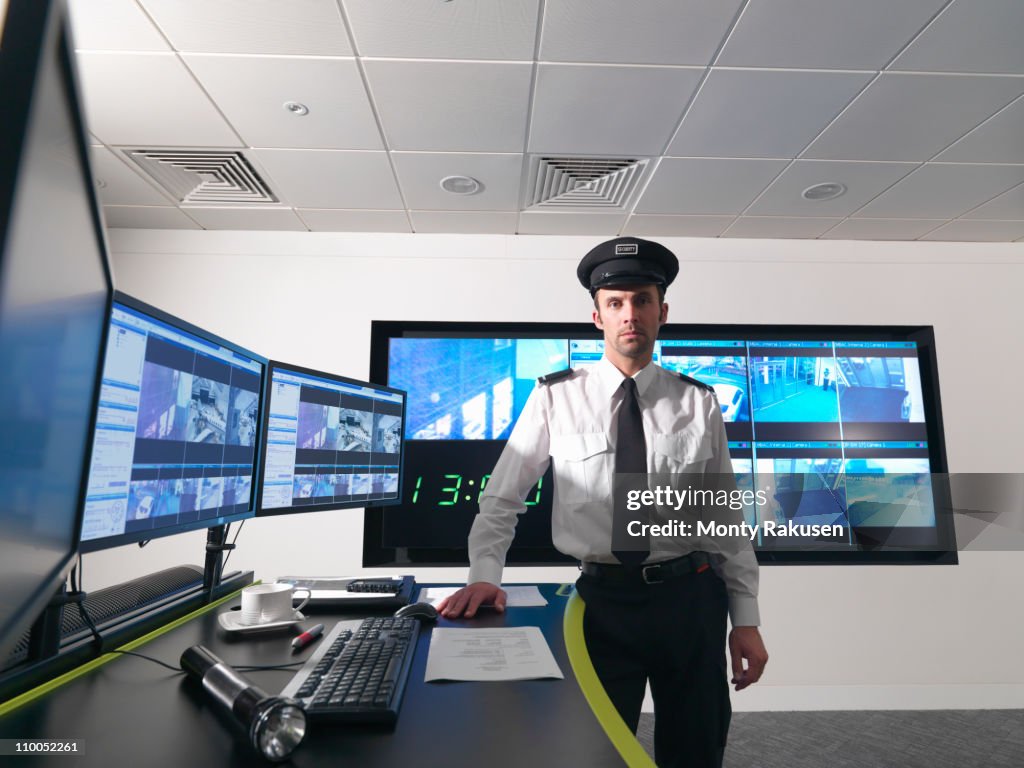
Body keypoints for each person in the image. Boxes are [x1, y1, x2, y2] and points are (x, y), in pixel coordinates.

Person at [438, 236, 768, 768]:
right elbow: (502, 500)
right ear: (597, 316)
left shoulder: (698, 401)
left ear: (663, 312)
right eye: (615, 303)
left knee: (697, 750)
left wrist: (745, 618)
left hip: (690, 603)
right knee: (593, 751)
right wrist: (485, 575)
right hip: (601, 606)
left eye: (641, 300)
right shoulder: (554, 397)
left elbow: (723, 516)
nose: (629, 314)